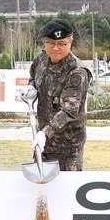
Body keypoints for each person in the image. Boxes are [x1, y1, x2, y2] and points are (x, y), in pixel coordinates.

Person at [24, 17, 90, 171]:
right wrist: (32, 86)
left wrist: (44, 133)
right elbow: (34, 76)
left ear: (71, 42)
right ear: (44, 42)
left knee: (67, 190)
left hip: (68, 146)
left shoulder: (76, 73)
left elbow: (69, 112)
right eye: (50, 43)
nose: (55, 48)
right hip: (43, 143)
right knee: (41, 188)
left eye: (62, 44)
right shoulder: (41, 60)